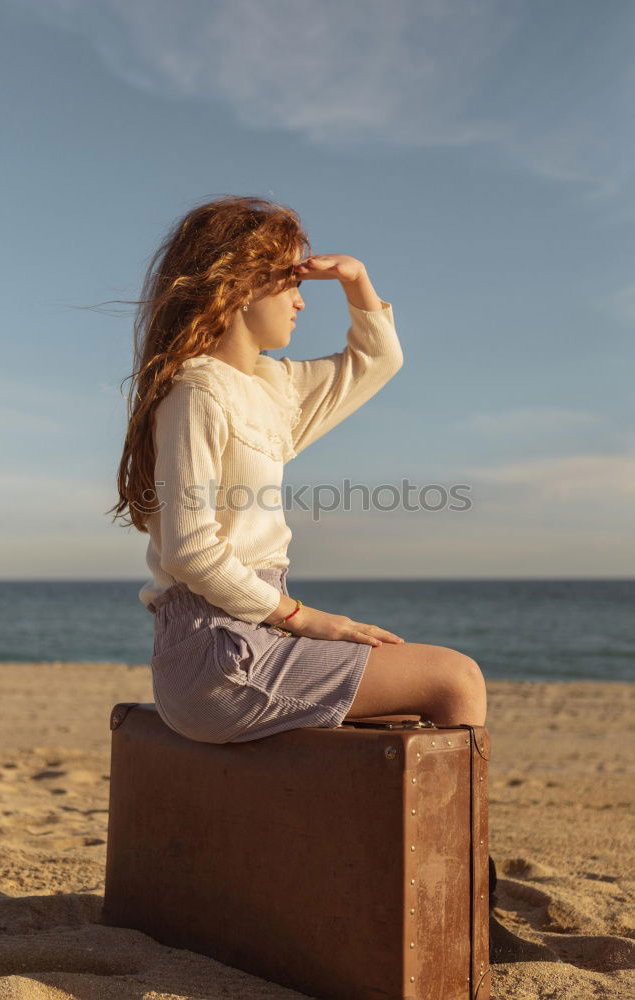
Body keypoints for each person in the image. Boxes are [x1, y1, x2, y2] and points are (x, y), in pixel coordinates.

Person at [108, 193, 539, 961]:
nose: (303, 299)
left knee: (405, 715)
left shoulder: (274, 388)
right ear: (239, 286)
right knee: (455, 682)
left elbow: (379, 361)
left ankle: (430, 900)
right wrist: (307, 618)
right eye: (288, 281)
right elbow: (191, 552)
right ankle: (476, 916)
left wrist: (359, 283)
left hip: (248, 632)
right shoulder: (196, 391)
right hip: (216, 650)